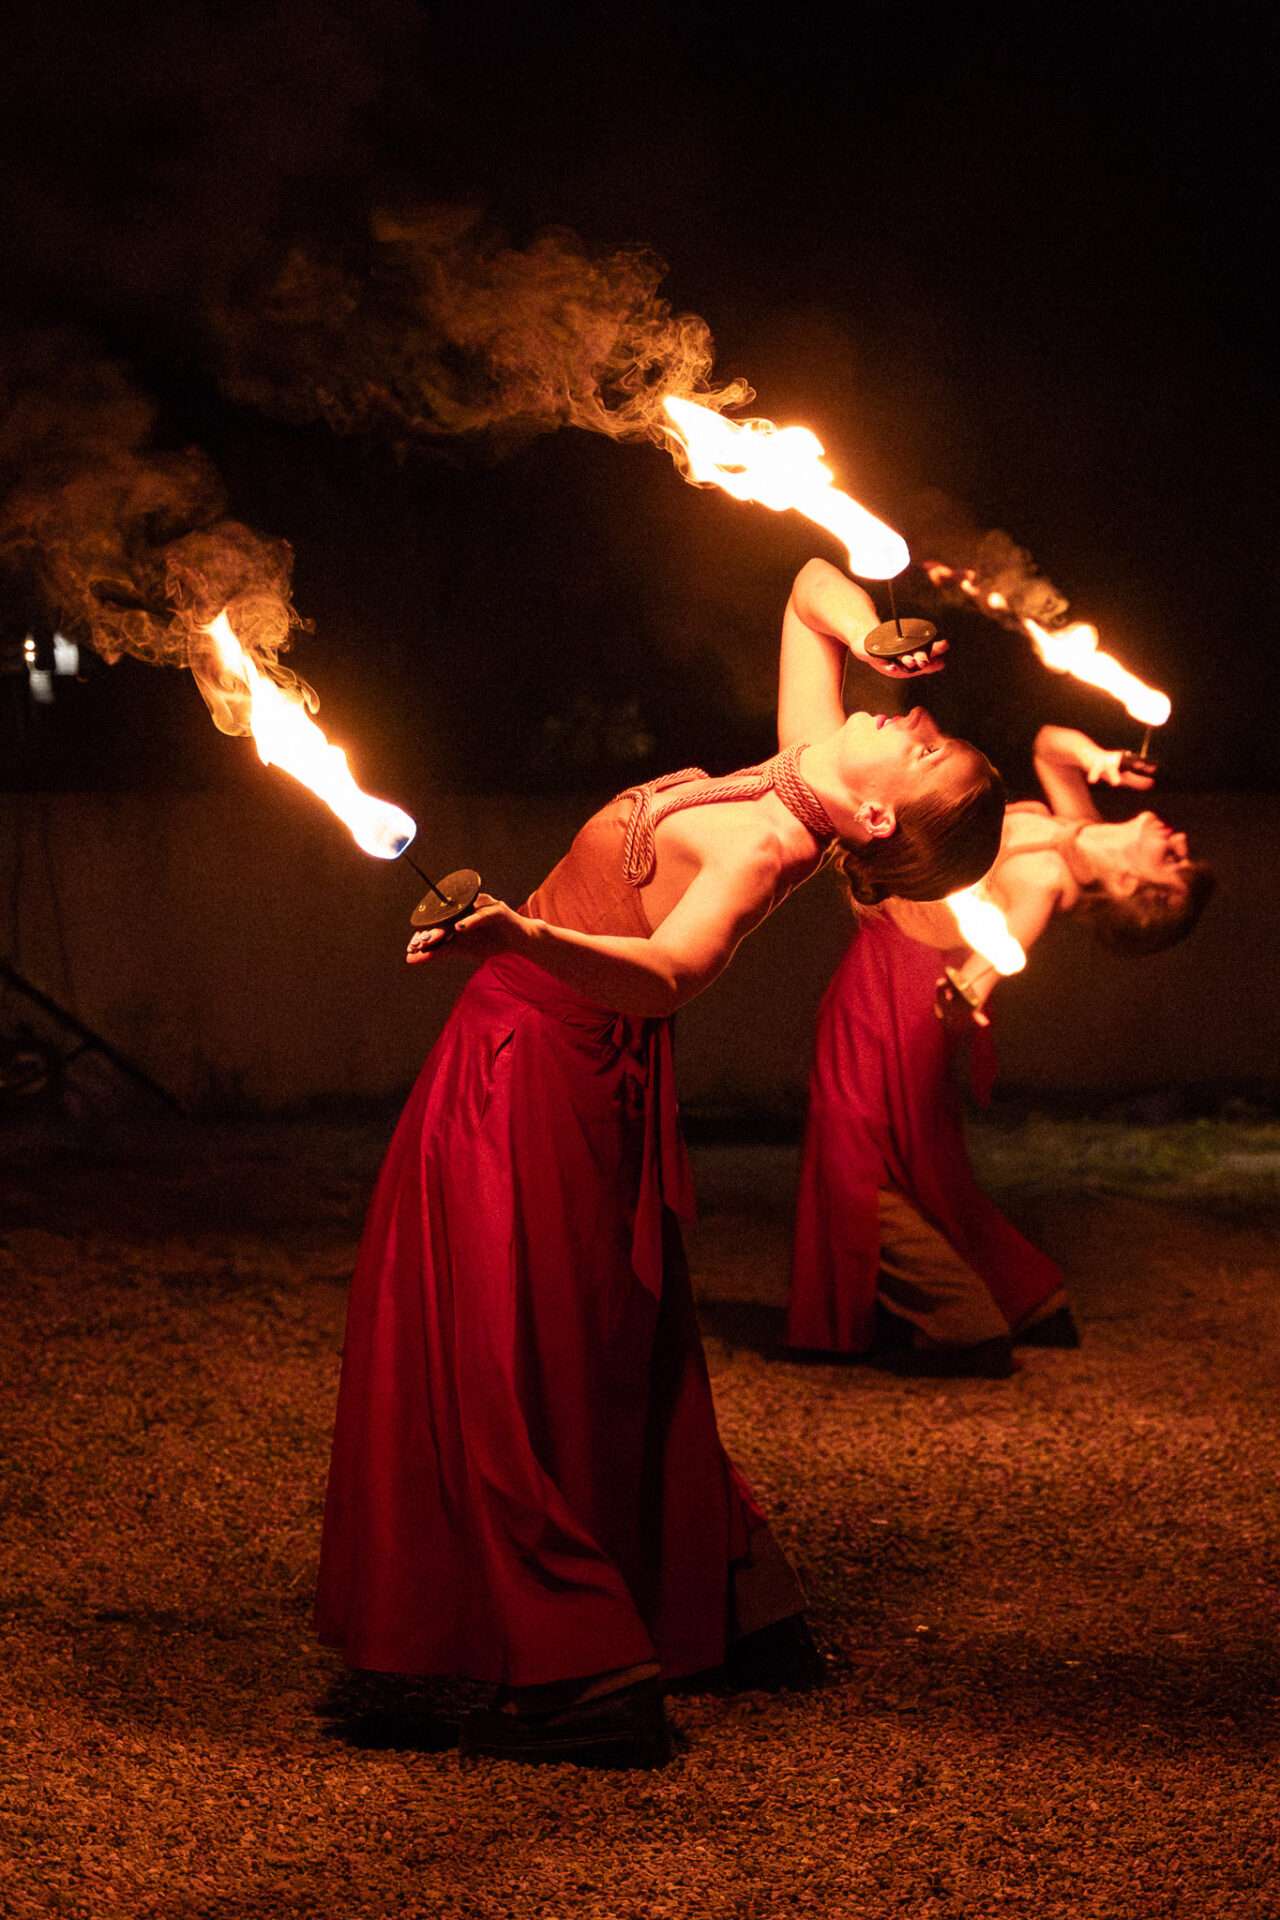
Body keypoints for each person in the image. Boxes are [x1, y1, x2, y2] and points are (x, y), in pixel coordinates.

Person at [316, 557, 1005, 1765]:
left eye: (928, 748)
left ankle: (584, 1673)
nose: (918, 719)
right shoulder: (801, 769)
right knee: (575, 1346)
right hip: (520, 1039)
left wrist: (523, 934)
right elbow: (804, 586)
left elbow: (674, 976)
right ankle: (725, 1605)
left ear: (880, 818)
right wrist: (871, 632)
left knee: (498, 1353)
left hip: (541, 1065)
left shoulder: (756, 851)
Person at [787, 723, 1215, 1376]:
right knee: (910, 1154)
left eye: (1174, 862)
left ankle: (963, 1322)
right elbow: (1046, 745)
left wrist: (969, 991)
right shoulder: (1072, 827)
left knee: (856, 1145)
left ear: (1134, 888)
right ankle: (1028, 1299)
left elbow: (999, 954)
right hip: (891, 967)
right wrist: (1097, 758)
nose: (1178, 839)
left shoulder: (1046, 877)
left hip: (910, 991)